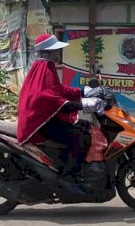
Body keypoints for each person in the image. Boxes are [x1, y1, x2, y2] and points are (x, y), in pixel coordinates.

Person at [17, 33, 99, 177]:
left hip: (43, 118)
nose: (59, 53)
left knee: (86, 126)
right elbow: (51, 98)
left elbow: (59, 89)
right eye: (56, 50)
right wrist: (84, 104)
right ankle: (69, 177)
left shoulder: (45, 67)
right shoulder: (45, 69)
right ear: (49, 52)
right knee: (80, 137)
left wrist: (84, 91)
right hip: (40, 122)